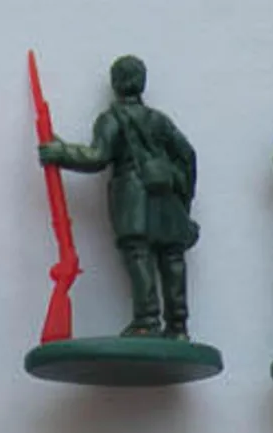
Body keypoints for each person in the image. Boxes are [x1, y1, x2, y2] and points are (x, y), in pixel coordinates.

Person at [38, 56, 198, 339]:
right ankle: (178, 326)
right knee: (172, 258)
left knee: (139, 255)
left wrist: (60, 154)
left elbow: (97, 156)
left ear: (115, 83)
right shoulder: (159, 120)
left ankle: (147, 320)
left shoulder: (111, 119)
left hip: (134, 201)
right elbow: (187, 156)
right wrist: (183, 198)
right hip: (167, 200)